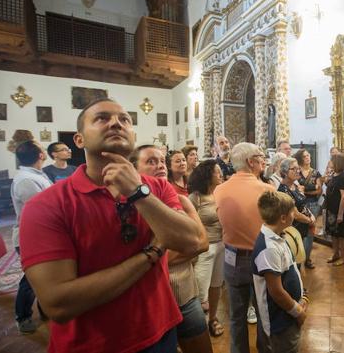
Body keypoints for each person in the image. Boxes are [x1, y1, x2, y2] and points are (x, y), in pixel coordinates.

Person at [19, 98, 205, 352]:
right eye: (102, 118)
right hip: (91, 345)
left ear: (132, 135)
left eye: (124, 119)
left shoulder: (157, 188)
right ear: (79, 140)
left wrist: (137, 192)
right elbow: (58, 304)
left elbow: (194, 242)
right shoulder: (47, 205)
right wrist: (152, 252)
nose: (116, 123)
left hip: (160, 332)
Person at [130, 144, 212, 353]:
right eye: (150, 161)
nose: (160, 165)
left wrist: (151, 256)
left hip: (184, 292)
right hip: (150, 301)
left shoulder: (182, 201)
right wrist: (176, 248)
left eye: (161, 161)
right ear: (133, 169)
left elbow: (201, 243)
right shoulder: (129, 208)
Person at [214, 142, 274, 353]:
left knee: (237, 316)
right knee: (264, 313)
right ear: (251, 162)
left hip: (232, 257)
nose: (264, 159)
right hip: (262, 257)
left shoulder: (220, 189)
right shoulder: (267, 190)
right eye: (260, 156)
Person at [252, 191, 307, 353]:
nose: (295, 214)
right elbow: (276, 291)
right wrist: (297, 312)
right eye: (293, 212)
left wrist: (301, 297)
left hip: (288, 312)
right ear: (283, 218)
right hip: (280, 320)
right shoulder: (268, 249)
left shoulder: (278, 236)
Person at [10, 140, 52, 334]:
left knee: (48, 276)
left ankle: (46, 309)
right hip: (31, 237)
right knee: (31, 279)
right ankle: (23, 316)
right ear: (41, 155)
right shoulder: (26, 180)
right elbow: (41, 211)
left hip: (43, 236)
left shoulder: (36, 175)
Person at [188, 159, 226, 337]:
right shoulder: (195, 197)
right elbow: (189, 226)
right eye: (217, 172)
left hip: (221, 245)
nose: (221, 174)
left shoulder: (220, 193)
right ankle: (198, 329)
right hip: (204, 249)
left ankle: (212, 318)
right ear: (207, 175)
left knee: (216, 286)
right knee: (200, 291)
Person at [277, 158, 316, 268]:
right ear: (284, 172)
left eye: (298, 168)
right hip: (292, 230)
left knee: (299, 260)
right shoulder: (283, 190)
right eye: (293, 169)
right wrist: (310, 221)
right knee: (293, 263)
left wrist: (311, 215)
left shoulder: (295, 186)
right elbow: (295, 214)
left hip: (302, 229)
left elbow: (303, 204)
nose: (298, 171)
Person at [294, 149, 321, 269]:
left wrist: (306, 190)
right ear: (300, 158)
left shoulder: (315, 173)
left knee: (310, 231)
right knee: (300, 231)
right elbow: (296, 188)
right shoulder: (297, 171)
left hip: (313, 203)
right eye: (305, 156)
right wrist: (311, 187)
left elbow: (319, 190)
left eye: (308, 155)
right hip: (300, 205)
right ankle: (299, 258)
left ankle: (308, 258)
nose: (308, 158)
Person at [325, 154, 344, 266]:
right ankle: (335, 254)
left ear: (337, 163)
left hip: (339, 210)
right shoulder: (334, 174)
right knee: (333, 233)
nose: (329, 162)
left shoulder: (343, 177)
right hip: (331, 210)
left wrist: (340, 215)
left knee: (342, 235)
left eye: (331, 160)